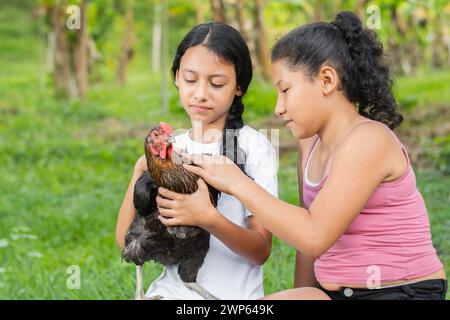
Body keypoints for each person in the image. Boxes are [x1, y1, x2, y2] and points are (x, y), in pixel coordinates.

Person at [156, 12, 447, 300]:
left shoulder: (368, 140)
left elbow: (314, 235)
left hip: (400, 292)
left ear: (327, 80)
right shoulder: (310, 145)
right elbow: (305, 242)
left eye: (285, 90)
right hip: (335, 294)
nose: (278, 108)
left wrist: (238, 183)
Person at [115, 22, 278, 300]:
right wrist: (140, 169)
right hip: (170, 294)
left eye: (216, 83)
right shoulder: (169, 148)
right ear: (177, 77)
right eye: (191, 80)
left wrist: (208, 218)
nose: (201, 93)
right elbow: (124, 240)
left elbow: (260, 250)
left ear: (239, 86)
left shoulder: (254, 147)